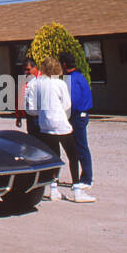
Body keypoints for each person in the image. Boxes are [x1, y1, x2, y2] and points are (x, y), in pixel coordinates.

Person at [34, 57, 76, 200]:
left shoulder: (38, 84)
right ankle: (77, 188)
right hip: (60, 124)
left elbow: (33, 107)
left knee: (54, 156)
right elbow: (66, 105)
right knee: (73, 155)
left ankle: (53, 188)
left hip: (45, 124)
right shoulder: (60, 83)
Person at [59, 51, 96, 202]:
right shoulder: (80, 76)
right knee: (82, 147)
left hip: (77, 116)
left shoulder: (71, 79)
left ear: (64, 65)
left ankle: (87, 178)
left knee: (80, 147)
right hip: (82, 114)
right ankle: (86, 176)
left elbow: (71, 101)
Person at [15, 57, 41, 138]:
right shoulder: (25, 80)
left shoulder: (43, 79)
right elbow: (20, 98)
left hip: (41, 116)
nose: (26, 72)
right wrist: (18, 116)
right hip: (30, 118)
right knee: (33, 141)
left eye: (28, 69)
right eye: (25, 70)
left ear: (35, 68)